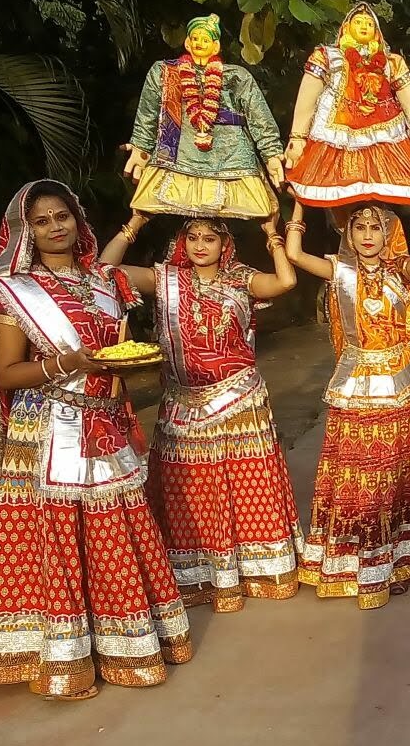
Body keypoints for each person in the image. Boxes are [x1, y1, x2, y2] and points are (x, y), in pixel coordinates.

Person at [0, 180, 191, 700]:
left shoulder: (103, 281)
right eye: (42, 220)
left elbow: (147, 312)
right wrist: (68, 363)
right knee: (61, 540)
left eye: (62, 215)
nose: (55, 226)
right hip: (49, 427)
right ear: (27, 231)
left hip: (106, 422)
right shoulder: (13, 290)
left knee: (115, 531)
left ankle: (126, 649)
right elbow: (6, 374)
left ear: (78, 219)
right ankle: (65, 662)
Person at [99, 212, 303, 613]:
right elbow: (106, 269)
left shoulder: (240, 278)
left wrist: (271, 235)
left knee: (247, 485)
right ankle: (198, 573)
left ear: (224, 244)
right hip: (182, 402)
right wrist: (134, 223)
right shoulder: (167, 280)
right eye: (193, 237)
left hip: (238, 400)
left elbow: (286, 281)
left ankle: (257, 569)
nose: (200, 245)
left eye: (210, 238)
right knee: (187, 488)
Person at [285, 202, 410, 609]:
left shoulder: (399, 272)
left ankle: (399, 559)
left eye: (376, 228)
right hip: (355, 385)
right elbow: (293, 255)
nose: (367, 235)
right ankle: (355, 562)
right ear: (349, 234)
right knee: (357, 474)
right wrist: (299, 206)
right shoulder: (340, 271)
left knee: (396, 473)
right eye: (359, 228)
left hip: (399, 384)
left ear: (387, 233)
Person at [123, 14, 284, 219]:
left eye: (205, 39)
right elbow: (148, 113)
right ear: (188, 43)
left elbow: (258, 116)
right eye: (195, 38)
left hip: (231, 158)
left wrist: (271, 154)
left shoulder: (236, 75)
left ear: (215, 47)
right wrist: (141, 148)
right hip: (177, 156)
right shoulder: (164, 72)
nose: (199, 43)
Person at [283, 3, 410, 209]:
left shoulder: (391, 61)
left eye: (370, 23)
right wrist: (297, 137)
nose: (364, 26)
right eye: (359, 22)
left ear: (377, 32)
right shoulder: (327, 56)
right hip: (336, 140)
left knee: (401, 198)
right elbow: (307, 98)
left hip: (385, 141)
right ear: (346, 28)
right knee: (323, 196)